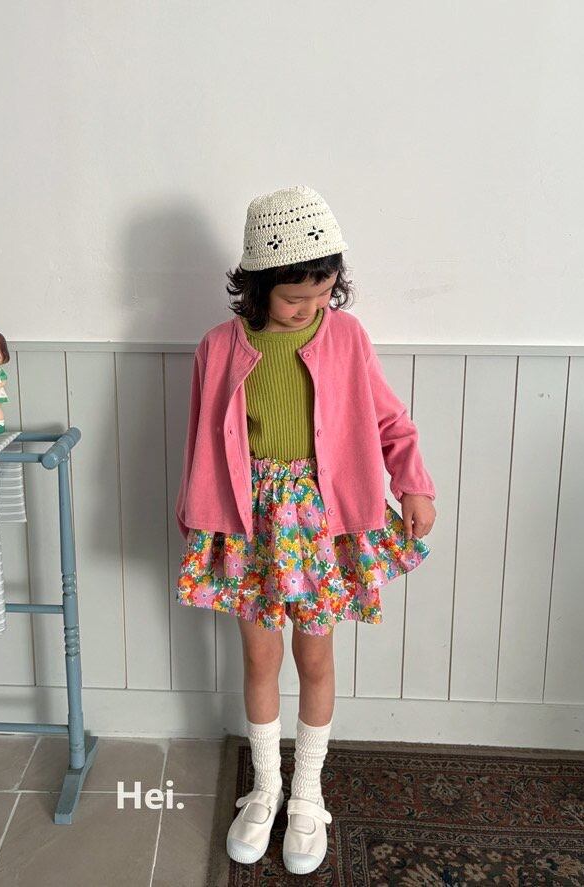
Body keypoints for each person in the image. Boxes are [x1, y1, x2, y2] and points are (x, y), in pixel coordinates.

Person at [175, 185, 437, 875]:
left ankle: (308, 794)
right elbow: (201, 440)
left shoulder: (346, 337)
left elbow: (387, 418)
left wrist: (413, 482)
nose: (311, 308)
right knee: (259, 657)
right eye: (296, 298)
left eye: (323, 294)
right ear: (258, 286)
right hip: (251, 525)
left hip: (321, 527)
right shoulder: (218, 347)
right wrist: (197, 523)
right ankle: (266, 788)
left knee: (315, 658)